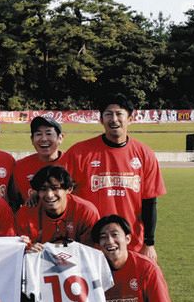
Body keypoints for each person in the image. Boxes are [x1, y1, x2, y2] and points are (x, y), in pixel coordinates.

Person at [14, 165, 102, 302]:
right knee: (27, 297)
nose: (49, 195)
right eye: (43, 189)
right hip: (39, 279)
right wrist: (28, 249)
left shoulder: (85, 211)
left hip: (75, 278)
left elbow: (91, 254)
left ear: (69, 189)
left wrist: (58, 250)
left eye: (55, 188)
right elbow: (20, 248)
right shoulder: (26, 212)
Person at [64, 96, 166, 260]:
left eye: (119, 114)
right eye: (108, 114)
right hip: (89, 242)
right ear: (101, 119)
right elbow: (57, 189)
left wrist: (149, 243)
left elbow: (149, 203)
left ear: (130, 118)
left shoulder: (145, 154)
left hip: (131, 243)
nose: (114, 119)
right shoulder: (80, 152)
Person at [8, 116, 65, 210]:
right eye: (38, 134)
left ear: (60, 138)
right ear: (32, 140)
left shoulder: (72, 163)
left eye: (48, 133)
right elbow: (14, 202)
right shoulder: (20, 166)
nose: (43, 139)